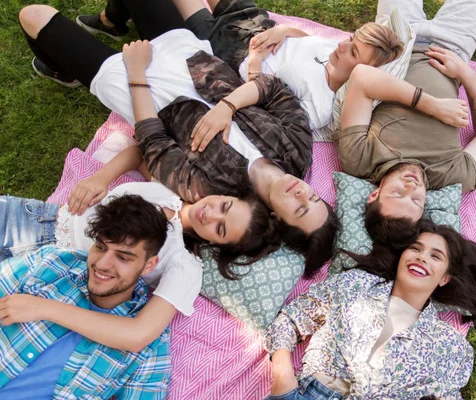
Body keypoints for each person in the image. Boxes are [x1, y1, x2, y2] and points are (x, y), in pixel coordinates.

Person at [19, 4, 337, 276]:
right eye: (313, 198)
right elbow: (272, 88)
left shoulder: (214, 192)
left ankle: (63, 71)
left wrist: (136, 71)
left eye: (299, 209)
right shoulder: (298, 150)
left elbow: (152, 142)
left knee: (33, 16)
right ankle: (112, 19)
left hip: (148, 91)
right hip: (196, 62)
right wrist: (227, 106)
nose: (302, 194)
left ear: (277, 219)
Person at [74, 0, 408, 131]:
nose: (341, 43)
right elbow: (304, 35)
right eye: (351, 38)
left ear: (360, 73)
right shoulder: (332, 50)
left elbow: (264, 109)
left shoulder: (319, 105)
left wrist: (257, 62)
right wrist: (282, 29)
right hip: (254, 24)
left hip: (229, 51)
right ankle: (114, 17)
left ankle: (111, 19)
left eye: (352, 51)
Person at [264, 219, 476, 399]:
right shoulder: (355, 285)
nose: (422, 257)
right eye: (416, 249)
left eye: (436, 256)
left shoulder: (450, 346)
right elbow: (290, 321)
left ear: (444, 278)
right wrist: (283, 379)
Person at [333, 0, 476, 224]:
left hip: (394, 40)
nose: (410, 187)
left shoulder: (359, 161)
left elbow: (362, 77)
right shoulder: (452, 178)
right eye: (415, 201)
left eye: (398, 194)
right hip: (453, 48)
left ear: (374, 195)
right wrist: (467, 75)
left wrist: (433, 106)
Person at [0, 194, 171, 399]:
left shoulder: (150, 346)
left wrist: (43, 308)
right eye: (100, 247)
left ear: (149, 265)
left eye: (123, 257)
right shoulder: (53, 263)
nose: (102, 264)